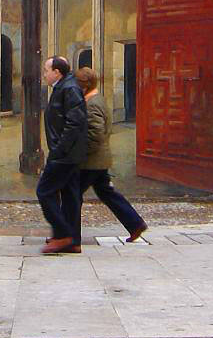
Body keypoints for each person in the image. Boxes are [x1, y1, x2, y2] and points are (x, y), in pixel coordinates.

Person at [73, 68, 145, 247]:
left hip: (91, 162)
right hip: (99, 160)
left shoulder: (92, 104)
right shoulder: (96, 100)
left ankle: (68, 235)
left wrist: (80, 153)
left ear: (85, 86)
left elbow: (95, 134)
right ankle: (135, 223)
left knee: (72, 194)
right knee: (107, 193)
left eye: (77, 85)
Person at [36, 56, 87, 255]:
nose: (44, 74)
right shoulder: (63, 87)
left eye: (47, 70)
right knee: (70, 195)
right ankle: (72, 240)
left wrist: (58, 150)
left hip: (65, 155)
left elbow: (74, 123)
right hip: (70, 154)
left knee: (44, 191)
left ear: (57, 72)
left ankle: (64, 234)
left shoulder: (69, 89)